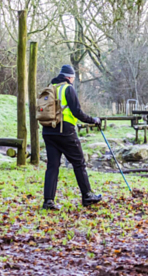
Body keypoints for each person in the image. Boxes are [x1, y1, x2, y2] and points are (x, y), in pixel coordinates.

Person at [41, 64, 103, 210]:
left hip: (48, 131)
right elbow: (77, 112)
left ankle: (48, 201)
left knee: (52, 166)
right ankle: (87, 195)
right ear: (69, 77)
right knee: (79, 162)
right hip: (65, 130)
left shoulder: (49, 88)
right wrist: (92, 120)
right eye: (73, 78)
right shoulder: (67, 88)